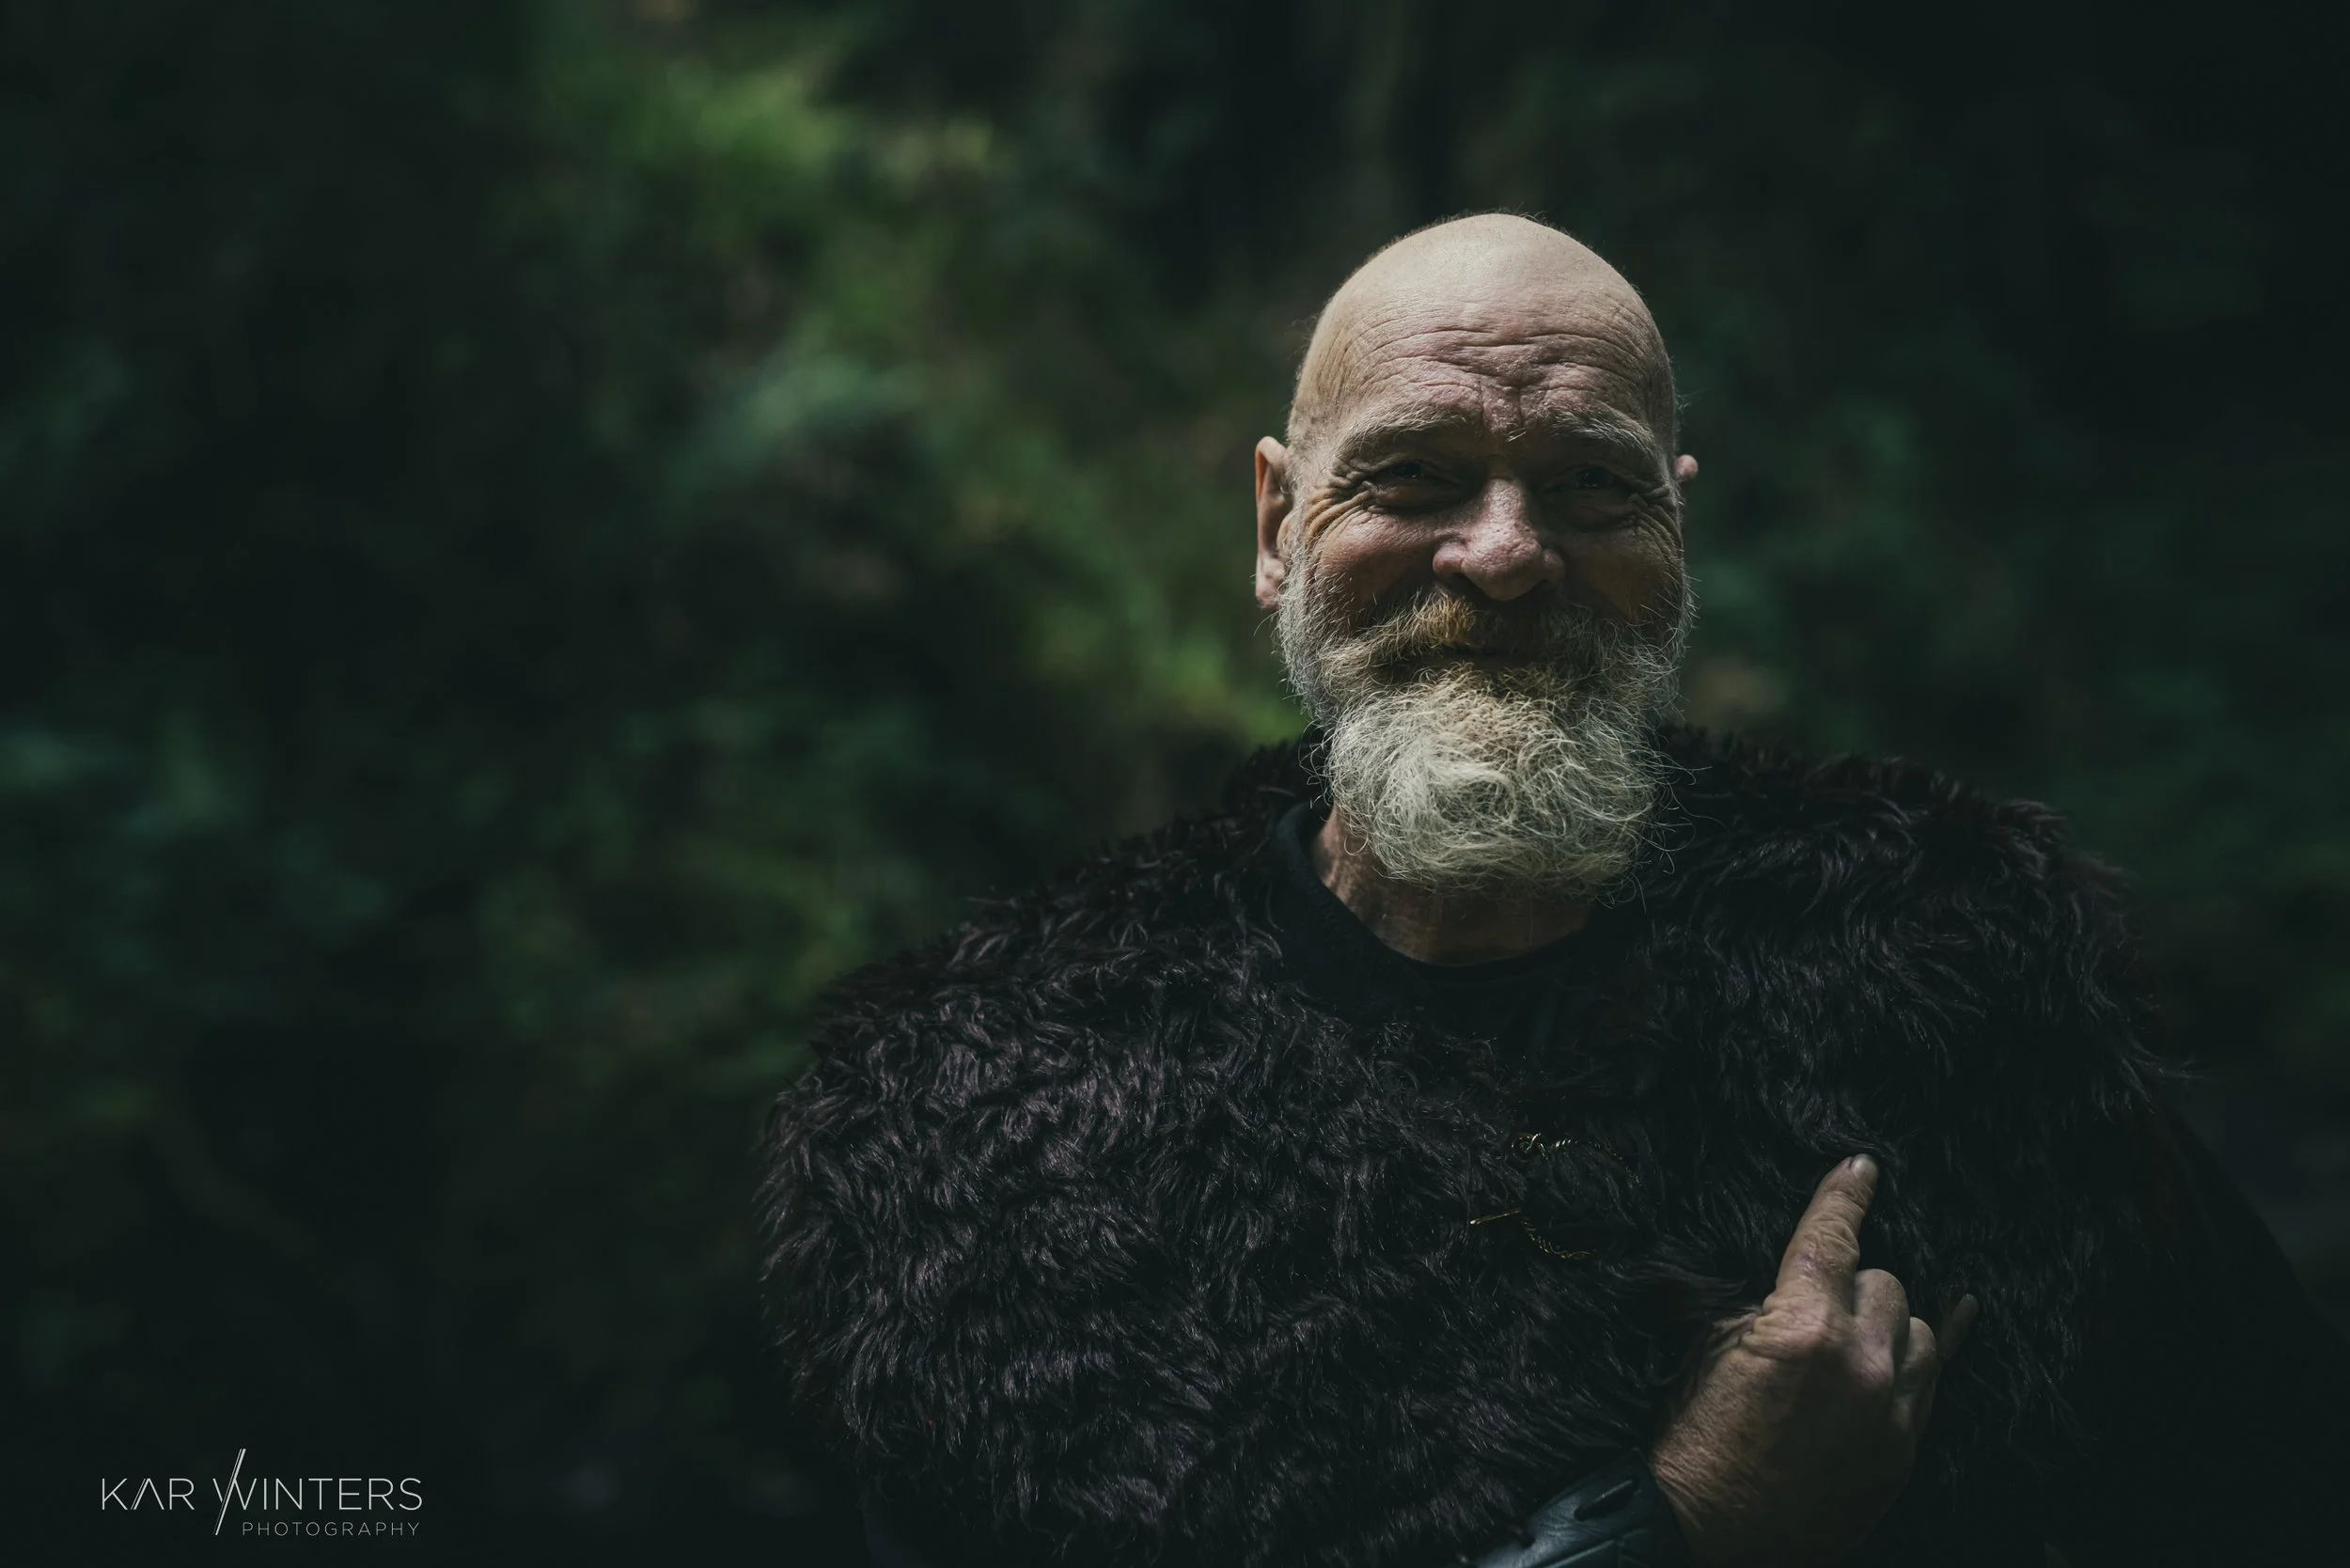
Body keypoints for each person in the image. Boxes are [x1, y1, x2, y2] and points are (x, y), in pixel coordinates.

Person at [762, 214, 2350, 1567]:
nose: (1505, 555)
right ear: (1275, 526)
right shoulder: (988, 1135)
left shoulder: (1964, 988)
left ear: (1676, 530)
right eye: (1414, 477)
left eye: (1591, 488)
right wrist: (1677, 1523)